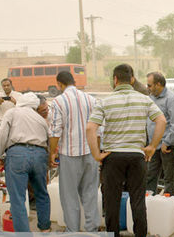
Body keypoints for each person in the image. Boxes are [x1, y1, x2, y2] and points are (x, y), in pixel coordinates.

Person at [86, 64, 166, 237]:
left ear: (115, 80)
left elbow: (90, 128)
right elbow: (161, 121)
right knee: (138, 200)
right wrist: (152, 146)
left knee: (112, 201)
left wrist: (96, 154)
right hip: (137, 156)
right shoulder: (144, 99)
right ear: (132, 79)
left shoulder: (105, 102)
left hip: (112, 157)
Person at [48, 71, 99, 232]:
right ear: (74, 81)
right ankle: (92, 230)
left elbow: (55, 131)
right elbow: (99, 129)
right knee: (90, 192)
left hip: (69, 154)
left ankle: (73, 231)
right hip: (90, 153)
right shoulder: (91, 99)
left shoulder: (58, 101)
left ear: (59, 84)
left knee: (69, 196)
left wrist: (52, 153)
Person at [0, 93, 51, 232]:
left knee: (18, 199)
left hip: (17, 154)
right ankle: (45, 229)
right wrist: (47, 165)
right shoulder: (41, 119)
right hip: (40, 154)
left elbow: (2, 134)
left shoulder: (12, 112)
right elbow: (48, 141)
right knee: (41, 193)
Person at [145, 72, 174, 196]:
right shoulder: (151, 98)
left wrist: (166, 142)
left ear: (159, 84)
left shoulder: (171, 99)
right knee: (150, 175)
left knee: (168, 178)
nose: (148, 88)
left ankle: (169, 202)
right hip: (153, 145)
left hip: (168, 146)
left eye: (150, 85)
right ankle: (150, 200)